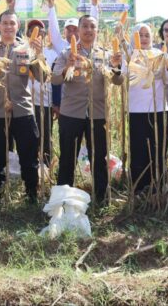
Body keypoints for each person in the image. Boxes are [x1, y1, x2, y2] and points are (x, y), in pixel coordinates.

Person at [0, 10, 45, 202]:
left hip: (23, 110)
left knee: (28, 157)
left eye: (12, 23)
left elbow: (42, 77)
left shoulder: (26, 49)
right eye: (5, 23)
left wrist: (39, 55)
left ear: (17, 26)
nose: (9, 27)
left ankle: (31, 196)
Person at [52, 15, 124, 204]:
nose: (88, 30)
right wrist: (67, 66)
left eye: (92, 26)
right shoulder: (66, 53)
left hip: (98, 114)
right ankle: (62, 199)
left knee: (99, 158)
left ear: (97, 31)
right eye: (85, 26)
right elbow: (54, 79)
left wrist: (117, 68)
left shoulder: (106, 55)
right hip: (71, 113)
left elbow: (118, 81)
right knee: (68, 157)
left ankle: (101, 198)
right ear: (78, 30)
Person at [126, 23, 167, 194]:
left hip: (158, 110)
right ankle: (139, 188)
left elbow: (167, 76)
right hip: (136, 110)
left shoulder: (159, 54)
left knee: (158, 149)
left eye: (146, 35)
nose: (143, 38)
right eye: (140, 35)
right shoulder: (128, 55)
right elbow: (123, 76)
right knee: (138, 151)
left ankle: (158, 186)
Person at [27, 19, 58, 166]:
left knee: (45, 137)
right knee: (29, 139)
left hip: (44, 102)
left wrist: (55, 104)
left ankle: (46, 168)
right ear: (27, 34)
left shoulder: (51, 53)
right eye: (33, 30)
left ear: (45, 35)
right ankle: (31, 168)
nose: (37, 33)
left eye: (40, 31)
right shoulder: (22, 51)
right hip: (26, 103)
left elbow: (51, 79)